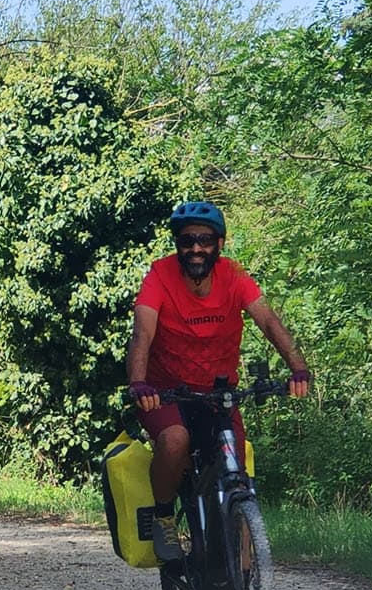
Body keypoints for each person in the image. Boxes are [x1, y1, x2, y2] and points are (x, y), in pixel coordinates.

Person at [125, 200, 310, 559]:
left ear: (219, 244)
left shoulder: (234, 276)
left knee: (236, 474)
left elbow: (269, 322)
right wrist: (139, 382)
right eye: (187, 240)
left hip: (218, 394)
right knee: (175, 440)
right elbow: (142, 334)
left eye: (205, 239)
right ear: (178, 244)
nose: (196, 248)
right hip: (166, 394)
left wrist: (298, 368)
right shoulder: (160, 276)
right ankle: (165, 516)